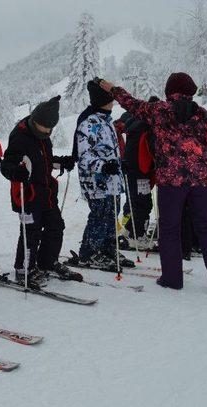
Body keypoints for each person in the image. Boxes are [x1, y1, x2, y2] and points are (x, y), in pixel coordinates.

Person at [99, 72, 207, 291]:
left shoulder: (159, 111)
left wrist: (113, 89)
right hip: (202, 180)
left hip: (171, 181)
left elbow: (132, 104)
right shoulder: (204, 115)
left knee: (169, 229)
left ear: (169, 91)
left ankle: (172, 278)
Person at [0, 95, 79, 286]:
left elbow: (44, 160)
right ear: (35, 121)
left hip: (47, 192)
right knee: (30, 232)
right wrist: (14, 171)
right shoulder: (20, 136)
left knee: (55, 226)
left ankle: (47, 262)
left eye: (51, 128)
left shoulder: (43, 136)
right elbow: (6, 164)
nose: (48, 131)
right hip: (27, 194)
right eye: (45, 127)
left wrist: (62, 161)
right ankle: (23, 269)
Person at [71, 80, 134, 270]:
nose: (113, 102)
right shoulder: (89, 124)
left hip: (112, 181)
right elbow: (83, 157)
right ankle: (89, 253)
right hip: (96, 181)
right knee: (99, 216)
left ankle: (108, 248)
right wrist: (104, 166)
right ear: (102, 100)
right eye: (111, 99)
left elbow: (109, 151)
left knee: (112, 214)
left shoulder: (107, 122)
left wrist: (119, 163)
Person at [119, 96, 160, 250]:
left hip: (134, 170)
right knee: (142, 204)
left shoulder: (136, 123)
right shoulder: (146, 126)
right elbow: (152, 150)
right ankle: (137, 236)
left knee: (138, 203)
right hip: (140, 171)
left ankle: (130, 231)